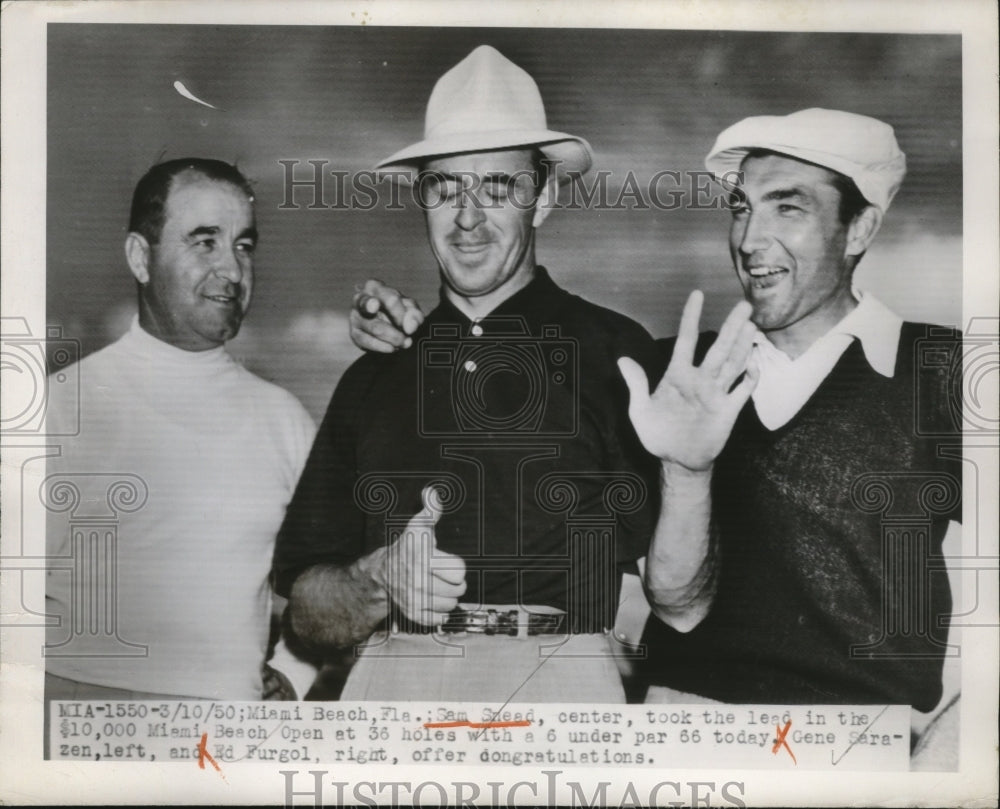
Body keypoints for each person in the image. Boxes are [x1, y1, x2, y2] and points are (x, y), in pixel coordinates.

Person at [349, 109, 962, 713]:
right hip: (683, 728)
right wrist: (408, 330)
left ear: (860, 230)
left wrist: (957, 755)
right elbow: (667, 594)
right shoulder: (670, 371)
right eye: (741, 207)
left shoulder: (947, 371)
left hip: (864, 742)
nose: (749, 240)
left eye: (788, 207)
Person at [273, 46, 755, 703]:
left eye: (497, 187)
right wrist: (381, 576)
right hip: (394, 682)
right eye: (446, 187)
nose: (468, 217)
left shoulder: (618, 357)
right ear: (422, 198)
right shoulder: (373, 376)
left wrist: (690, 472)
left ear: (545, 196)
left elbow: (682, 604)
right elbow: (306, 615)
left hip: (561, 684)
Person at [44, 158, 317, 703]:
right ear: (140, 258)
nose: (233, 271)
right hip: (80, 730)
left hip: (229, 746)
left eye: (244, 245)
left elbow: (327, 581)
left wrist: (294, 672)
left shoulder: (284, 419)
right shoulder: (58, 406)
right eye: (205, 242)